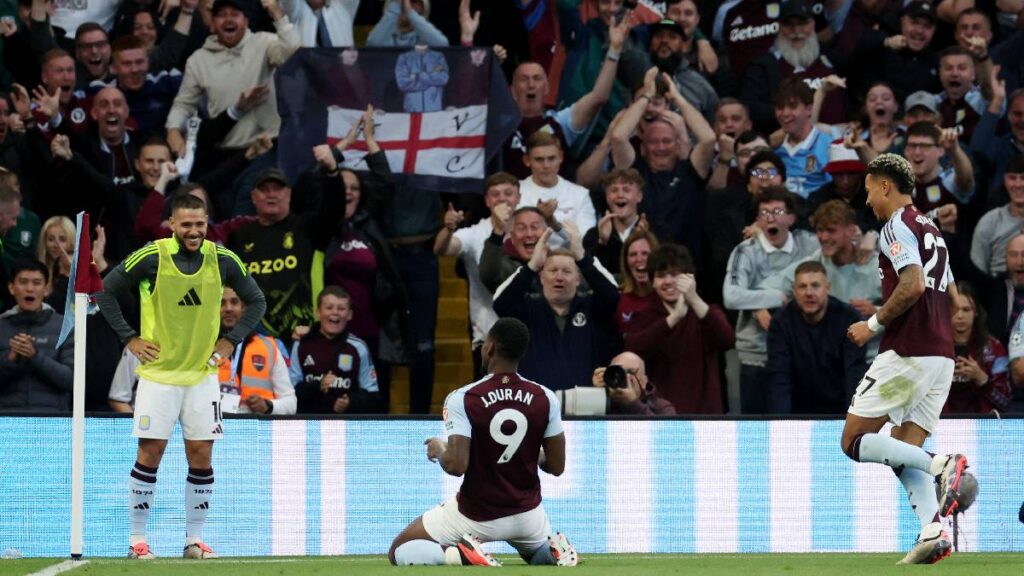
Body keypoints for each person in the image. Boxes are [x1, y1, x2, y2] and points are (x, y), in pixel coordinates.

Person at [94, 193, 267, 560]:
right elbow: (104, 291)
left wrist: (230, 340)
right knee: (151, 452)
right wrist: (130, 338)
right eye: (186, 224)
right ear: (171, 224)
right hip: (159, 375)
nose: (193, 231)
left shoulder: (222, 259)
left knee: (201, 454)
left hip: (202, 375)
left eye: (200, 224)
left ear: (207, 224)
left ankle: (194, 541)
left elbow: (257, 301)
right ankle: (137, 541)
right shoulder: (152, 255)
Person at [844, 153, 971, 565]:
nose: (867, 202)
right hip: (941, 357)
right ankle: (933, 530)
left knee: (853, 441)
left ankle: (942, 463)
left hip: (908, 352)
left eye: (868, 191)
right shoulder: (932, 229)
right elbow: (953, 300)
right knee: (901, 448)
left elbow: (913, 284)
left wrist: (874, 324)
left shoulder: (896, 225)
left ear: (884, 185)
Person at [388, 317, 578, 567]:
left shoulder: (463, 398)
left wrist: (440, 447)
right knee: (537, 551)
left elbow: (456, 466)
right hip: (528, 516)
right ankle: (553, 551)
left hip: (475, 515)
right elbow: (556, 465)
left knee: (399, 550)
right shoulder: (545, 397)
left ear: (489, 348)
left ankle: (462, 555)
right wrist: (528, 451)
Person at [723, 186, 820, 414]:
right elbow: (731, 295)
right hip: (756, 353)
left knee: (796, 427)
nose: (770, 219)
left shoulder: (809, 244)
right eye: (764, 214)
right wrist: (773, 298)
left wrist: (870, 235)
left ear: (791, 218)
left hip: (802, 352)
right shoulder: (745, 251)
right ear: (757, 220)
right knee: (754, 429)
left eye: (777, 212)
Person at [492, 224, 620, 391]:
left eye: (567, 271)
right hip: (536, 406)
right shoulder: (526, 309)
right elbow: (499, 303)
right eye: (552, 270)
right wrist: (531, 265)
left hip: (586, 407)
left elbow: (613, 295)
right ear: (541, 277)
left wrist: (582, 257)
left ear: (578, 279)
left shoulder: (593, 307)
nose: (559, 277)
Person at [625, 243, 732, 414]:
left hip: (705, 415)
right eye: (660, 276)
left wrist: (694, 299)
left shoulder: (706, 312)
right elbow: (633, 348)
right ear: (652, 282)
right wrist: (673, 318)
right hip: (661, 415)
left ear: (689, 278)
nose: (668, 281)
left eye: (675, 274)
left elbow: (726, 339)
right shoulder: (643, 317)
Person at [435, 172, 520, 375]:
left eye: (508, 193)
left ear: (518, 197)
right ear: (487, 201)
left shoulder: (530, 228)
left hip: (532, 334)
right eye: (495, 194)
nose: (502, 198)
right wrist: (448, 229)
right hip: (488, 334)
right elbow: (442, 249)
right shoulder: (474, 234)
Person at [767, 261, 867, 414]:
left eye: (815, 285)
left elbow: (854, 375)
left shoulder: (849, 319)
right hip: (797, 411)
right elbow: (779, 377)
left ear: (827, 288)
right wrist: (782, 424)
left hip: (839, 409)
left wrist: (851, 422)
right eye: (802, 286)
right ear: (794, 290)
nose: (809, 293)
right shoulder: (781, 322)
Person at [290, 285, 381, 414]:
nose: (335, 312)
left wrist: (351, 402)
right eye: (329, 307)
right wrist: (317, 386)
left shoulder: (359, 347)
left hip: (346, 428)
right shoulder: (302, 344)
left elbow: (373, 396)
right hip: (309, 425)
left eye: (341, 308)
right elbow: (289, 393)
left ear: (349, 314)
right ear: (318, 312)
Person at [0, 259, 73, 412]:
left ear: (47, 289)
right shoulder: (2, 325)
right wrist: (11, 358)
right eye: (23, 282)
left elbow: (72, 380)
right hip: (7, 419)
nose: (29, 288)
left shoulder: (65, 327)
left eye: (36, 283)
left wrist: (35, 356)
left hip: (52, 419)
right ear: (12, 288)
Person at [945, 281, 1011, 414]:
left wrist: (981, 378)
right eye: (954, 309)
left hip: (982, 425)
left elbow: (1006, 403)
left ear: (976, 312)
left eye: (966, 309)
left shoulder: (994, 348)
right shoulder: (932, 347)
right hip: (939, 424)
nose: (960, 316)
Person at [591, 351, 675, 415]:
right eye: (618, 372)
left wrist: (633, 404)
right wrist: (596, 394)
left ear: (644, 381)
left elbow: (666, 435)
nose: (623, 377)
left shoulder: (661, 407)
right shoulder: (602, 402)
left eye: (630, 372)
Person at [615, 228, 658, 333]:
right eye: (633, 254)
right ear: (626, 261)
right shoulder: (618, 298)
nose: (639, 259)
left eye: (645, 253)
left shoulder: (667, 296)